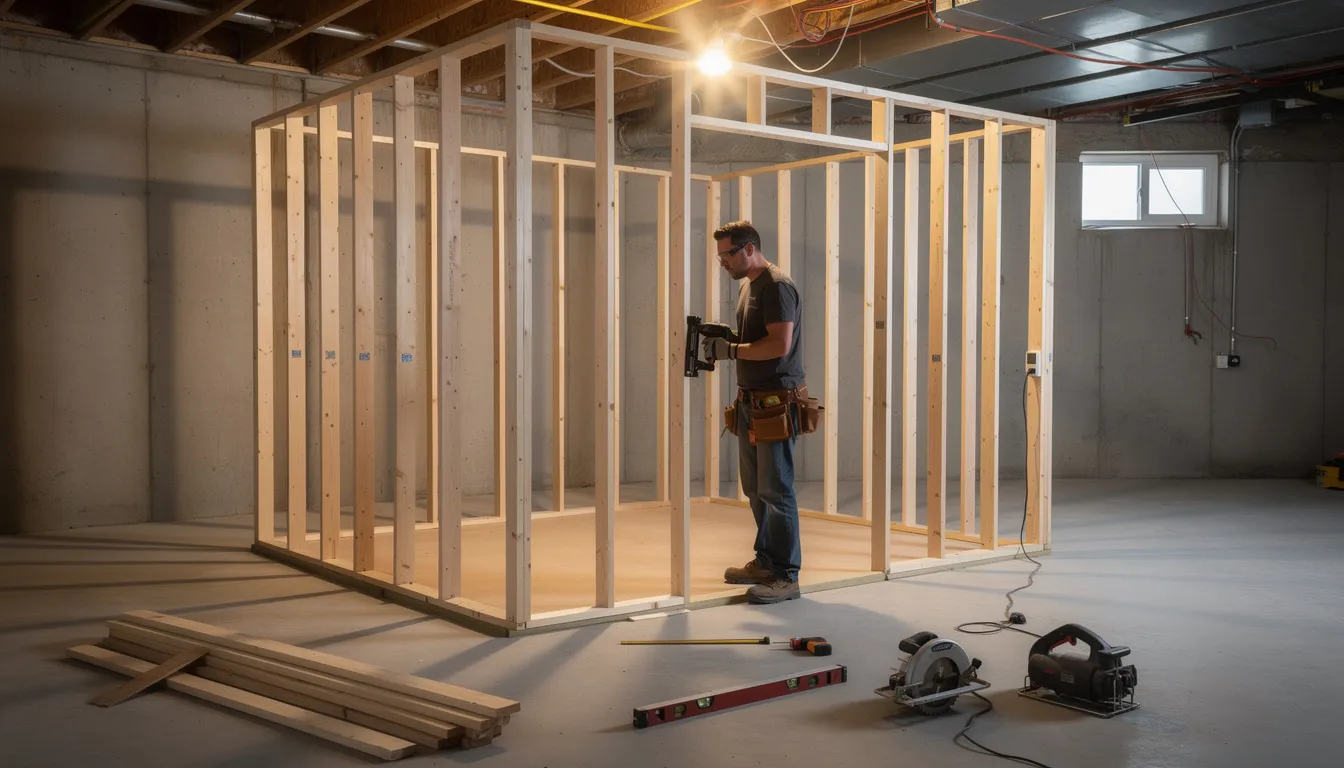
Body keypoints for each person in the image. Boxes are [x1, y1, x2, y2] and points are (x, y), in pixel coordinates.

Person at [700, 220, 807, 605]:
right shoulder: (750, 286)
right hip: (751, 400)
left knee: (776, 489)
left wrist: (730, 351)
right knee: (756, 489)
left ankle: (786, 575)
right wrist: (730, 339)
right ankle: (767, 560)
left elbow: (779, 344)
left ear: (748, 249)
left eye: (726, 255)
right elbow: (755, 339)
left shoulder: (777, 286)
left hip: (775, 401)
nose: (722, 263)